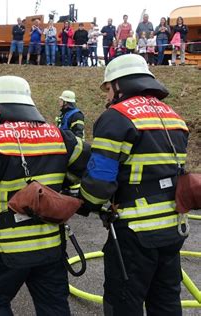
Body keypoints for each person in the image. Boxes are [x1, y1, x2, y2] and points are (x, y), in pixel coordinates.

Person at [0, 75, 89, 315]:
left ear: (0, 107)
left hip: (8, 251)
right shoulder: (60, 136)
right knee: (54, 307)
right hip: (51, 246)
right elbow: (90, 168)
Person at [78, 54, 189, 316]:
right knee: (165, 300)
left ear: (120, 85)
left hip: (135, 230)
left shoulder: (116, 117)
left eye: (108, 88)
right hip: (173, 226)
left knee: (124, 301)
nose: (107, 96)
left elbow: (100, 181)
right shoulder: (173, 116)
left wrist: (83, 202)